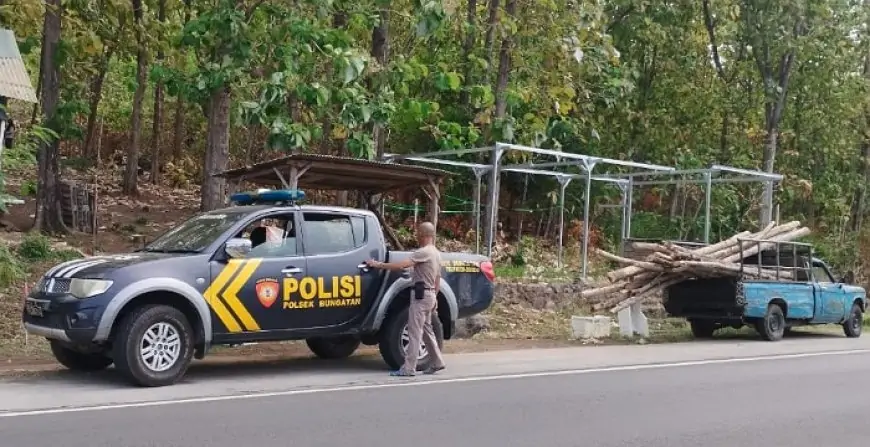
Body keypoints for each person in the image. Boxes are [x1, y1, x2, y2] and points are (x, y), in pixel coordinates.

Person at [366, 222, 446, 377]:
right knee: (427, 331)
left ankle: (409, 368)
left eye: (418, 233)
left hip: (420, 297)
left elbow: (401, 266)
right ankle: (437, 362)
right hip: (429, 296)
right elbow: (438, 278)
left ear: (423, 235)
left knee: (414, 333)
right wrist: (435, 298)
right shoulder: (436, 253)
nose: (417, 236)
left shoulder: (423, 252)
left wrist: (378, 264)